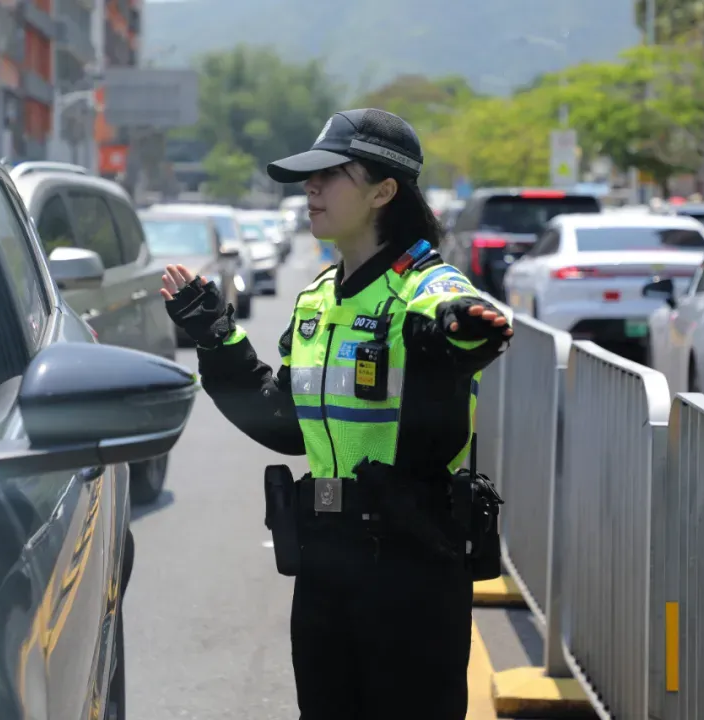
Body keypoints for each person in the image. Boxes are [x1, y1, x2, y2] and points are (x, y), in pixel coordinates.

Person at [159, 108, 513, 720]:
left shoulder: (424, 289)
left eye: (330, 175)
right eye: (309, 177)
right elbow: (286, 424)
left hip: (412, 569)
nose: (311, 188)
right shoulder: (319, 299)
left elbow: (458, 320)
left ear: (383, 191)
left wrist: (459, 331)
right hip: (326, 564)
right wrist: (216, 339)